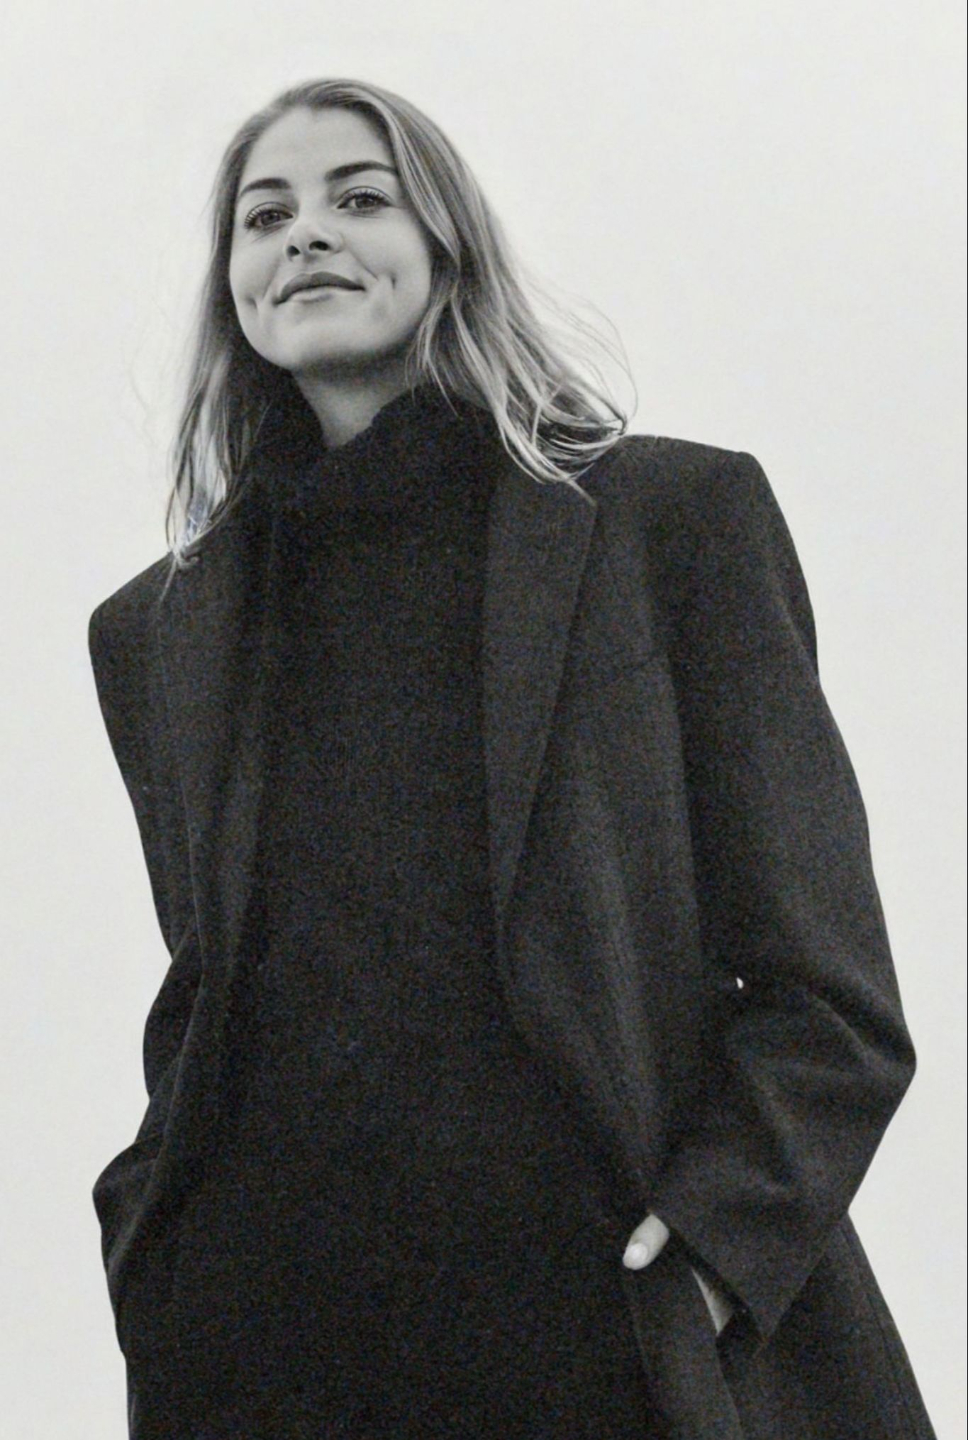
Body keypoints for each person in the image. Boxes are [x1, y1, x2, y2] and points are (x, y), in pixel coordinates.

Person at [88, 77, 937, 1439]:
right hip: (271, 1359)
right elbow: (210, 1000)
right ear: (230, 285)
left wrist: (712, 1257)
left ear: (450, 248)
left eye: (359, 197)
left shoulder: (671, 523)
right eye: (265, 215)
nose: (306, 234)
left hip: (608, 1342)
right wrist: (156, 1257)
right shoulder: (157, 633)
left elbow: (828, 989)